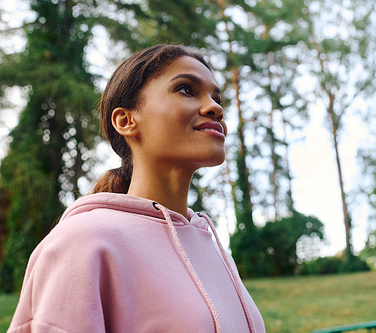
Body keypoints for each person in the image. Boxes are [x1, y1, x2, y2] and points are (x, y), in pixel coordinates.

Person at [8, 44, 265, 333]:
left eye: (216, 97)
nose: (215, 108)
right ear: (126, 121)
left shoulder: (215, 249)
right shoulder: (84, 241)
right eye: (186, 89)